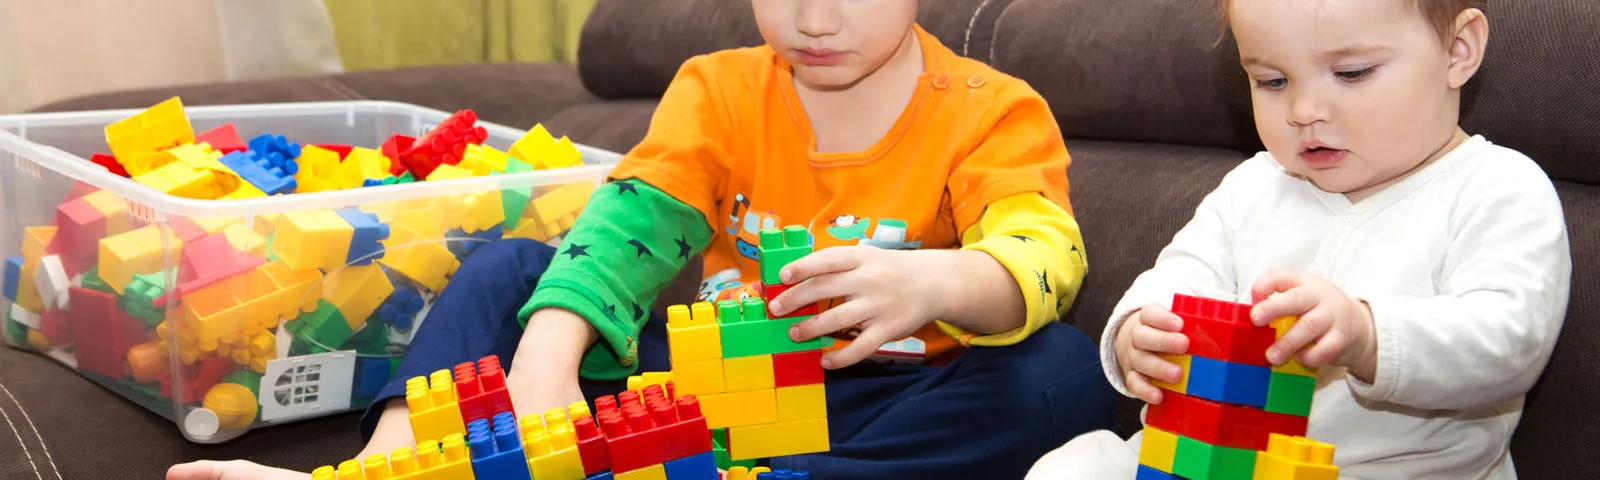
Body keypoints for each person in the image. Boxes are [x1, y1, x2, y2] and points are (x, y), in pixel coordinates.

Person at [168, 1, 1117, 479]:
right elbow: (632, 222)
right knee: (510, 266)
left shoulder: (993, 111)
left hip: (892, 395)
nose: (815, 18)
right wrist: (549, 356)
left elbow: (1044, 251)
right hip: (705, 386)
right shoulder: (722, 86)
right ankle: (386, 461)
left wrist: (943, 282)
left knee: (1063, 370)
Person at [1024, 0, 1571, 478]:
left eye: (1352, 73)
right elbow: (1181, 274)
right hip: (1209, 455)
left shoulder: (1498, 187)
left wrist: (1367, 335)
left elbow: (1509, 340)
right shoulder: (1254, 185)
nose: (1304, 111)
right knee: (1074, 467)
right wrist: (1140, 333)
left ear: (1457, 50)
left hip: (1393, 470)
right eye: (1272, 81)